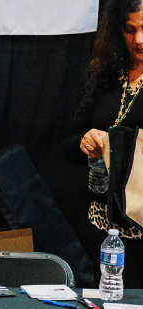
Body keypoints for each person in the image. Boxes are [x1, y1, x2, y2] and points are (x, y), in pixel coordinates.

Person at [64, 0, 143, 290]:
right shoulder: (106, 73)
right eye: (129, 29)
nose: (138, 39)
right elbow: (67, 145)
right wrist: (85, 143)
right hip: (103, 226)